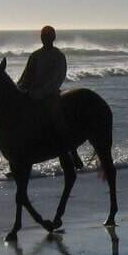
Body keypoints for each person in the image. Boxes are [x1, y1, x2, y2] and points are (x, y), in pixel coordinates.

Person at [17, 25, 83, 168]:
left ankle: (72, 150)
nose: (44, 38)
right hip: (32, 94)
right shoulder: (35, 55)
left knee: (57, 117)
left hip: (51, 95)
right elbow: (25, 77)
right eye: (43, 36)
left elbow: (57, 79)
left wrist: (40, 93)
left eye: (47, 36)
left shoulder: (58, 56)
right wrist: (19, 90)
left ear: (52, 38)